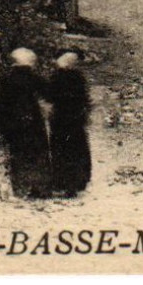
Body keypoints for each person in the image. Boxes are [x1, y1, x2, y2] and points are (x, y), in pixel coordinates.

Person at [0, 47, 51, 198]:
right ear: (29, 63)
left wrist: (1, 123)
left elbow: (0, 103)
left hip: (14, 121)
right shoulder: (32, 77)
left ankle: (20, 187)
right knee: (38, 152)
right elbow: (48, 92)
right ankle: (39, 187)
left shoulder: (6, 79)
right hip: (32, 120)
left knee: (18, 153)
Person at [45, 50, 92, 198]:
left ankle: (62, 182)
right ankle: (77, 182)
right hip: (75, 118)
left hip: (60, 118)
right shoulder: (78, 77)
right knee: (76, 149)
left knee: (61, 150)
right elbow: (85, 99)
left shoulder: (57, 76)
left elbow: (50, 96)